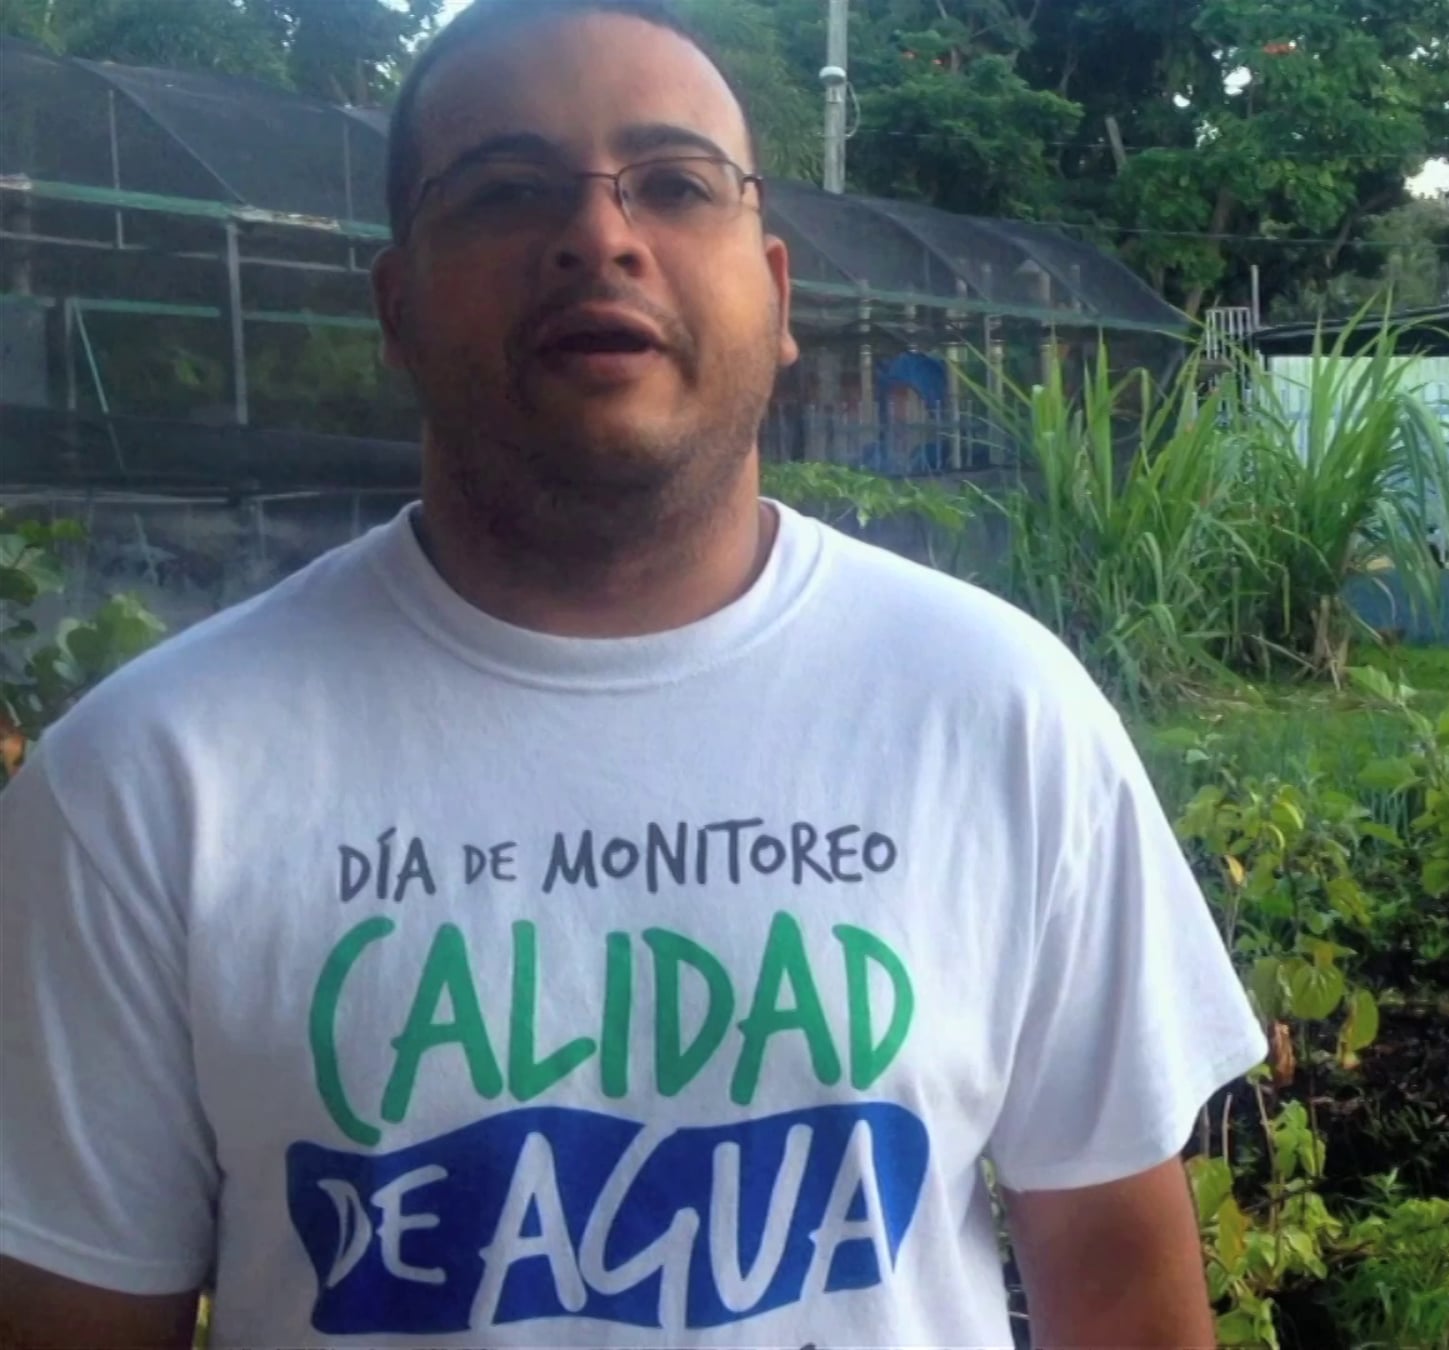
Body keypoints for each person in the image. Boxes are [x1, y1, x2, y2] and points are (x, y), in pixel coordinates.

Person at [0, 2, 1264, 1346]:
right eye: (504, 189)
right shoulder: (150, 782)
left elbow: (1120, 1286)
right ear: (397, 307)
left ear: (777, 294)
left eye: (676, 184)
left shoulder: (998, 714)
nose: (599, 235)